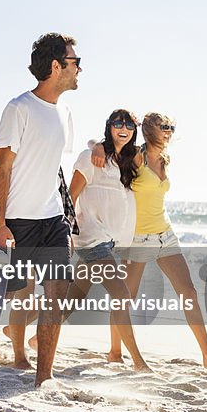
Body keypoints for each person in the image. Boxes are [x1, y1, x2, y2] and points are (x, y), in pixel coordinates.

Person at [0, 33, 80, 385]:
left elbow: (54, 169)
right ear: (56, 66)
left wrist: (68, 221)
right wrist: (0, 222)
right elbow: (3, 167)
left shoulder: (65, 113)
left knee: (58, 292)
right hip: (18, 220)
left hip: (51, 218)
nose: (79, 69)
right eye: (75, 62)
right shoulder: (19, 108)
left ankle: (44, 377)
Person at [91, 112, 207, 371]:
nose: (168, 132)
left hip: (165, 235)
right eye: (164, 127)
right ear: (149, 130)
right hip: (137, 238)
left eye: (171, 127)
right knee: (124, 298)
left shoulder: (165, 159)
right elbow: (107, 151)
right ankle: (114, 351)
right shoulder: (135, 157)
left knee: (188, 293)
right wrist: (98, 146)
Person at [65, 109, 151, 371]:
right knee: (121, 294)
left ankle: (20, 330)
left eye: (129, 125)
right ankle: (137, 362)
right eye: (118, 123)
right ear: (109, 126)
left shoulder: (123, 161)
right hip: (91, 238)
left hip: (108, 241)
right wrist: (66, 233)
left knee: (71, 299)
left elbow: (152, 149)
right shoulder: (91, 157)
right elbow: (71, 196)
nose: (123, 128)